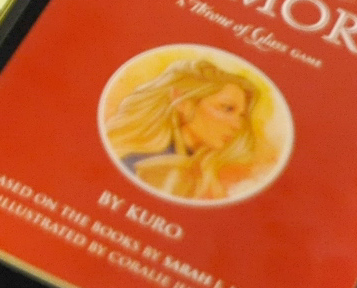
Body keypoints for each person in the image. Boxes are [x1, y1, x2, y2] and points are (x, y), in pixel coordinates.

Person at [103, 57, 270, 202]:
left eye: (241, 116)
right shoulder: (143, 166)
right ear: (183, 101)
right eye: (227, 108)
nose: (238, 125)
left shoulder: (203, 172)